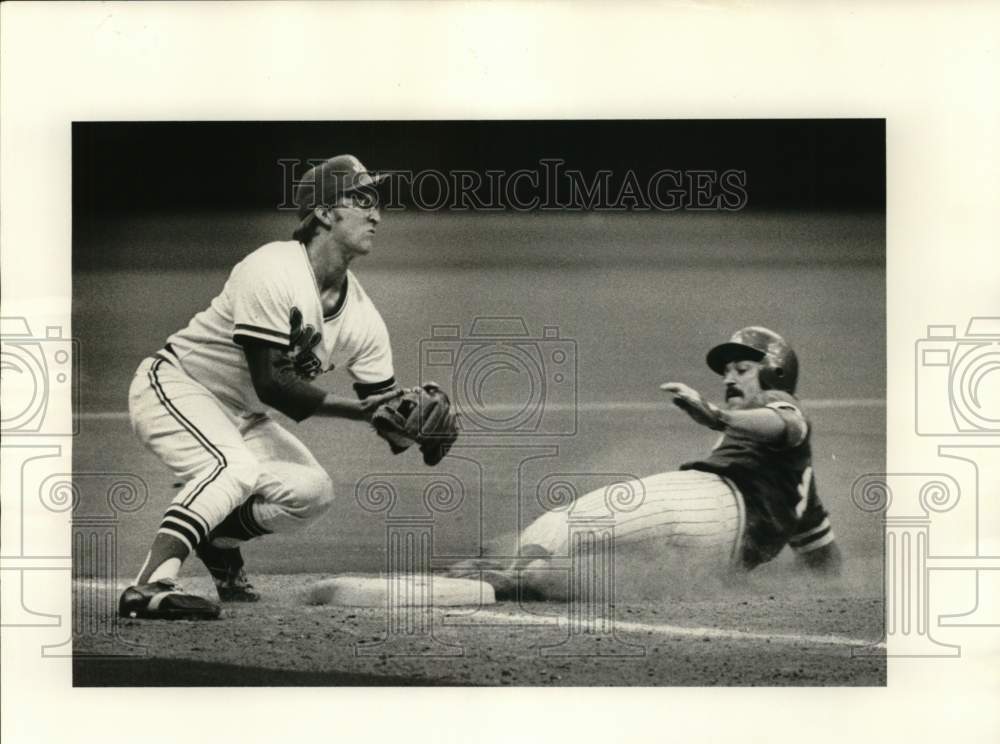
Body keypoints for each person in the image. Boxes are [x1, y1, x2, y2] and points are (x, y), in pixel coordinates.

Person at [119, 155, 406, 620]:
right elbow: (273, 384)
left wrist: (417, 424)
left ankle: (215, 535)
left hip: (242, 416)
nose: (376, 214)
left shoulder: (364, 318)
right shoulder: (272, 267)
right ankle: (149, 586)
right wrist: (366, 412)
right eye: (362, 199)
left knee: (312, 492)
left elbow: (388, 413)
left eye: (377, 203)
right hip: (177, 386)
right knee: (231, 468)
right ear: (326, 212)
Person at [450, 326, 842, 600]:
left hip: (712, 506)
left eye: (742, 369)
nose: (729, 379)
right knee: (558, 575)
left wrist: (715, 415)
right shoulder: (799, 486)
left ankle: (507, 569)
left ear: (774, 375)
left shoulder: (781, 411)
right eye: (726, 372)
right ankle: (518, 577)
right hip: (710, 561)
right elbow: (823, 559)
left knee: (561, 525)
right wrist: (812, 591)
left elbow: (784, 422)